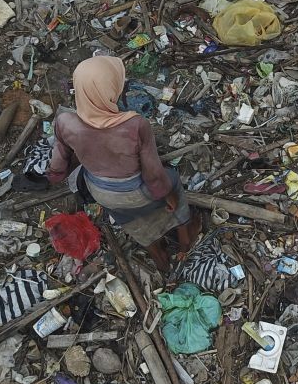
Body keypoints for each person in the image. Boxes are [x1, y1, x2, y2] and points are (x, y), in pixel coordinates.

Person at [47, 56, 200, 272]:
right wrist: (168, 195)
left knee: (133, 222)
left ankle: (159, 256)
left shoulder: (65, 122)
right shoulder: (135, 125)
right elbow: (155, 177)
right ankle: (186, 236)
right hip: (137, 191)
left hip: (101, 191)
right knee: (172, 182)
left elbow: (57, 170)